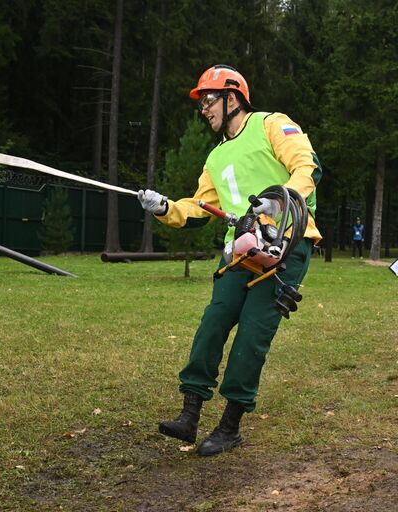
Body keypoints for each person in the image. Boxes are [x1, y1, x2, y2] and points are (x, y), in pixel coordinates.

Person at [137, 65, 322, 456]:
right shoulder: (216, 156)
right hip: (238, 253)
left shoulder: (272, 124)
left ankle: (229, 426)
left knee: (253, 335)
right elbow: (199, 206)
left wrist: (275, 200)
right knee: (213, 323)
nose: (203, 109)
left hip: (285, 245)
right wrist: (163, 207)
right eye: (202, 103)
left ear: (232, 98)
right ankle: (189, 414)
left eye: (208, 100)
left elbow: (308, 168)